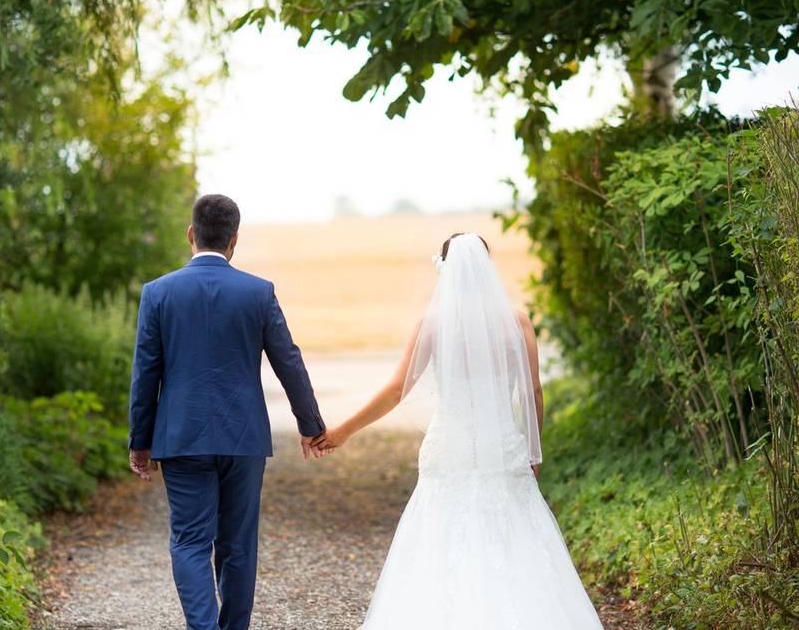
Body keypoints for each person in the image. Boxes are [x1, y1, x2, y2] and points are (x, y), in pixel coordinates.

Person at [313, 232, 604, 629]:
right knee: (515, 541)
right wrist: (534, 449)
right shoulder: (516, 321)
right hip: (502, 447)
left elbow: (397, 390)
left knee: (441, 539)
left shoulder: (433, 323)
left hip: (448, 449)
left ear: (445, 269)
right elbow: (532, 391)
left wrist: (343, 431)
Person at [127, 194, 327, 630]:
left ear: (190, 234)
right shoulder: (258, 293)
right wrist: (311, 425)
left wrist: (139, 441)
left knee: (190, 542)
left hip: (181, 438)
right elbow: (288, 361)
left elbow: (146, 372)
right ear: (235, 238)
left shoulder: (158, 293)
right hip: (244, 439)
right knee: (238, 545)